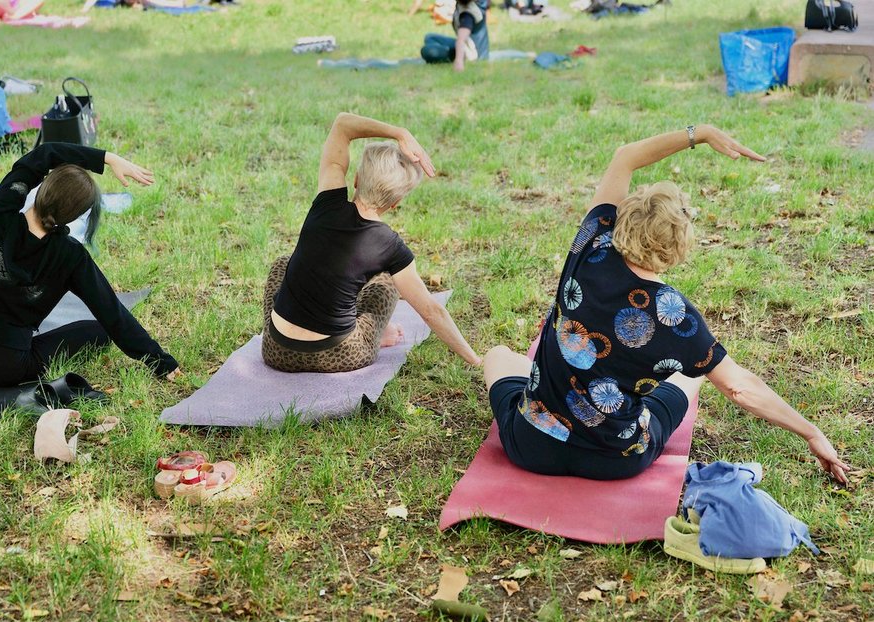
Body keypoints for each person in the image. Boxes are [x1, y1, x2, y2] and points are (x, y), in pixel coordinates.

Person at [482, 124, 850, 484]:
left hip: (532, 447)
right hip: (614, 460)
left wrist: (699, 133)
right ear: (679, 246)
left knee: (499, 354)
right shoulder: (678, 318)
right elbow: (740, 387)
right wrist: (811, 432)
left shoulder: (591, 241)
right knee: (694, 376)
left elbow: (625, 157)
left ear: (623, 219)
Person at [0, 142, 181, 386]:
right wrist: (161, 361)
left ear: (42, 186)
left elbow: (44, 153)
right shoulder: (71, 256)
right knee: (97, 332)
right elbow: (112, 313)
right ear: (76, 215)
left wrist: (107, 158)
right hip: (10, 368)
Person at [262, 112, 481, 373]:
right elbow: (431, 311)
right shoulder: (392, 246)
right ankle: (376, 335)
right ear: (395, 203)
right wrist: (476, 360)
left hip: (276, 350)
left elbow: (342, 123)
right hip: (338, 354)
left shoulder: (327, 201)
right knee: (386, 284)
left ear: (355, 179)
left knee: (282, 264)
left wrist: (399, 132)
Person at [421, 0, 489, 71]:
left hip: (471, 54)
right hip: (466, 45)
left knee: (427, 51)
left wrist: (458, 61)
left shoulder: (468, 14)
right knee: (429, 37)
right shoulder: (466, 4)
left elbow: (461, 40)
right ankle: (445, 49)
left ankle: (446, 51)